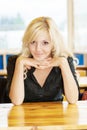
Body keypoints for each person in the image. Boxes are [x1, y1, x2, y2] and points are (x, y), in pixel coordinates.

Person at [8, 16, 79, 105]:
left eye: (45, 43)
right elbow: (16, 101)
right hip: (26, 117)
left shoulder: (65, 60)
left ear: (54, 43)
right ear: (27, 43)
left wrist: (63, 63)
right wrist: (20, 63)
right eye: (33, 42)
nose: (38, 49)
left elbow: (73, 100)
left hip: (56, 117)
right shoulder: (15, 62)